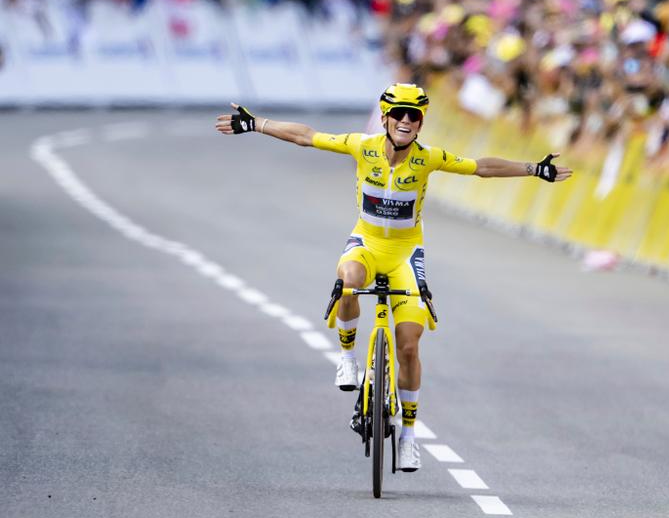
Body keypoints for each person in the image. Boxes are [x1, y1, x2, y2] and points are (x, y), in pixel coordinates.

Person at [213, 83, 572, 471]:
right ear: (384, 118)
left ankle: (408, 436)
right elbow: (306, 137)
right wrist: (255, 124)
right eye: (398, 114)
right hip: (366, 245)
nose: (405, 121)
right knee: (349, 277)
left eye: (414, 116)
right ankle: (348, 357)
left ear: (420, 123)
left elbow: (481, 167)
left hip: (405, 255)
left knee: (409, 347)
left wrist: (535, 169)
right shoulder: (361, 145)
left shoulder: (428, 158)